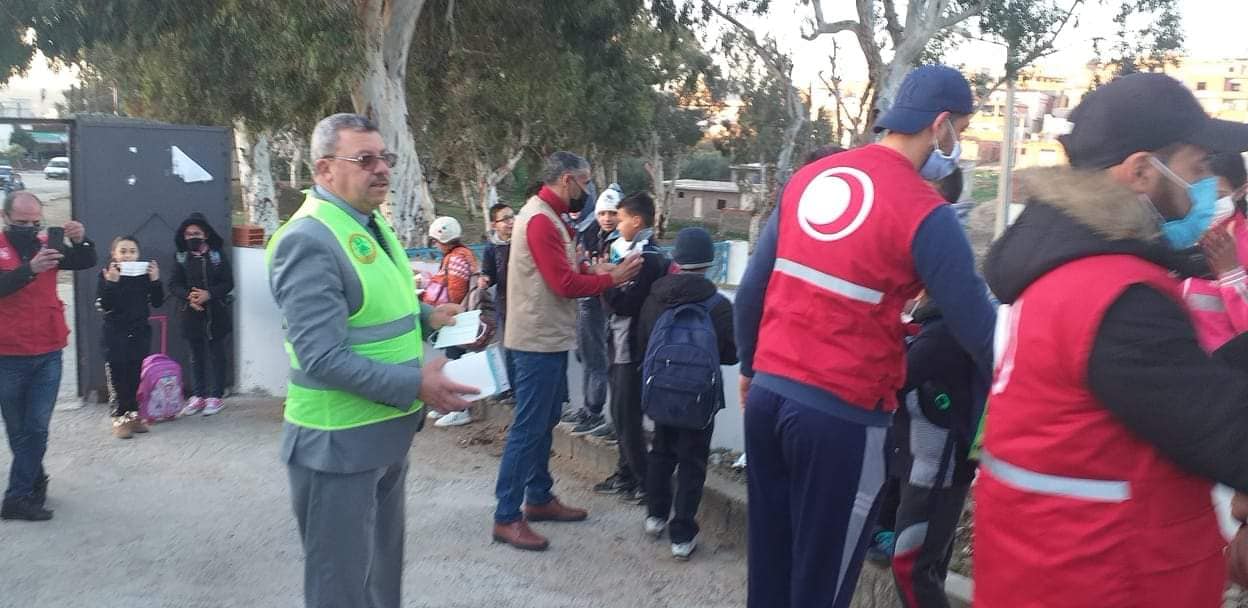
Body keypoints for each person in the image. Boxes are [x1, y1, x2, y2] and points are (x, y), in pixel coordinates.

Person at [975, 73, 1248, 607]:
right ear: (1142, 171)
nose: (1207, 187)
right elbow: (1226, 434)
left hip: (1046, 569)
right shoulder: (1117, 295)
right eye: (1198, 168)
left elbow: (1174, 389)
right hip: (1110, 580)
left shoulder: (1059, 269)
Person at [734, 65, 996, 608]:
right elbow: (981, 331)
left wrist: (750, 371)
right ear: (940, 125)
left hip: (767, 400)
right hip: (842, 420)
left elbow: (753, 289)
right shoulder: (927, 212)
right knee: (820, 585)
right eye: (962, 130)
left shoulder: (812, 179)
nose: (958, 145)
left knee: (770, 571)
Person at [267, 113, 476, 608]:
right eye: (364, 159)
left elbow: (372, 304)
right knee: (340, 589)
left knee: (381, 578)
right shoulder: (309, 239)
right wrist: (416, 385)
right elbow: (321, 356)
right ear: (324, 169)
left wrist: (428, 317)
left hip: (383, 434)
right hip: (337, 445)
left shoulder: (369, 221)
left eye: (385, 157)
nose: (381, 168)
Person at [493, 151, 641, 551]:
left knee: (543, 422)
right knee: (529, 427)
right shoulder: (541, 219)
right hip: (536, 341)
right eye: (585, 181)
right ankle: (506, 516)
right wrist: (612, 278)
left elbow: (567, 269)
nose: (588, 190)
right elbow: (563, 284)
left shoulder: (553, 217)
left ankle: (538, 497)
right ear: (567, 180)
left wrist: (595, 270)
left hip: (547, 338)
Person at [637, 227, 736, 561]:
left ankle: (655, 516)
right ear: (709, 261)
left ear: (676, 258)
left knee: (660, 451)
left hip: (661, 392)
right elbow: (731, 354)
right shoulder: (718, 305)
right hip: (699, 399)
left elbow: (644, 342)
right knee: (693, 461)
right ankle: (681, 535)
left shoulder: (656, 297)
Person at [0, 190, 96, 521]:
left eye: (35, 222)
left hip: (48, 350)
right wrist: (30, 268)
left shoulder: (48, 244)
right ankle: (34, 480)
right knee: (18, 429)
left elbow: (85, 261)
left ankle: (17, 496)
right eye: (21, 222)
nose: (29, 228)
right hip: (7, 353)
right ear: (5, 217)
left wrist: (81, 241)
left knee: (37, 427)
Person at [889, 293, 977, 608]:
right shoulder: (936, 327)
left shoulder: (941, 333)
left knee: (911, 568)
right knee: (926, 569)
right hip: (926, 468)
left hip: (936, 472)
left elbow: (893, 377)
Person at [596, 192, 670, 505]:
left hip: (632, 347)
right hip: (620, 344)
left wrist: (605, 282)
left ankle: (645, 483)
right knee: (620, 413)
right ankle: (626, 474)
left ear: (637, 221)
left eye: (622, 219)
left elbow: (627, 304)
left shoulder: (647, 258)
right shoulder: (632, 252)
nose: (617, 224)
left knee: (627, 416)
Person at [96, 236, 164, 439]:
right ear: (114, 254)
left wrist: (155, 280)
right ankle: (119, 418)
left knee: (134, 375)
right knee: (118, 376)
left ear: (138, 254)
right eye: (123, 251)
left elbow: (158, 302)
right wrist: (112, 282)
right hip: (114, 333)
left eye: (132, 251)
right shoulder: (107, 274)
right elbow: (105, 305)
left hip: (139, 332)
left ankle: (133, 415)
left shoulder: (143, 274)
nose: (128, 256)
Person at [564, 187, 620, 437]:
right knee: (587, 356)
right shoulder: (591, 233)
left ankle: (595, 411)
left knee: (600, 361)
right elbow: (581, 263)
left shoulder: (622, 241)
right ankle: (589, 409)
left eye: (612, 213)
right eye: (602, 213)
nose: (607, 218)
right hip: (587, 301)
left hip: (607, 306)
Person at [1181, 152, 1248, 351]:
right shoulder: (1171, 242)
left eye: (1217, 196)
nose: (1205, 206)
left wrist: (1232, 275)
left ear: (1241, 190)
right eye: (1197, 196)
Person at [170, 213, 234, 417]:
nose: (192, 237)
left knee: (217, 355)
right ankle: (198, 395)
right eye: (188, 234)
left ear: (205, 235)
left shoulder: (217, 256)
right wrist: (190, 297)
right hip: (190, 314)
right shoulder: (180, 257)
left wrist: (209, 295)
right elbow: (174, 285)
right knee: (195, 356)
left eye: (196, 233)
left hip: (216, 314)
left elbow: (228, 283)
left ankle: (216, 395)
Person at [480, 203, 516, 388]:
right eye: (505, 219)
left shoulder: (522, 240)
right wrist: (485, 279)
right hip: (505, 303)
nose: (511, 222)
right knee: (510, 345)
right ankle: (513, 387)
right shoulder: (491, 247)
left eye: (512, 217)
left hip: (526, 301)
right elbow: (489, 273)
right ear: (494, 225)